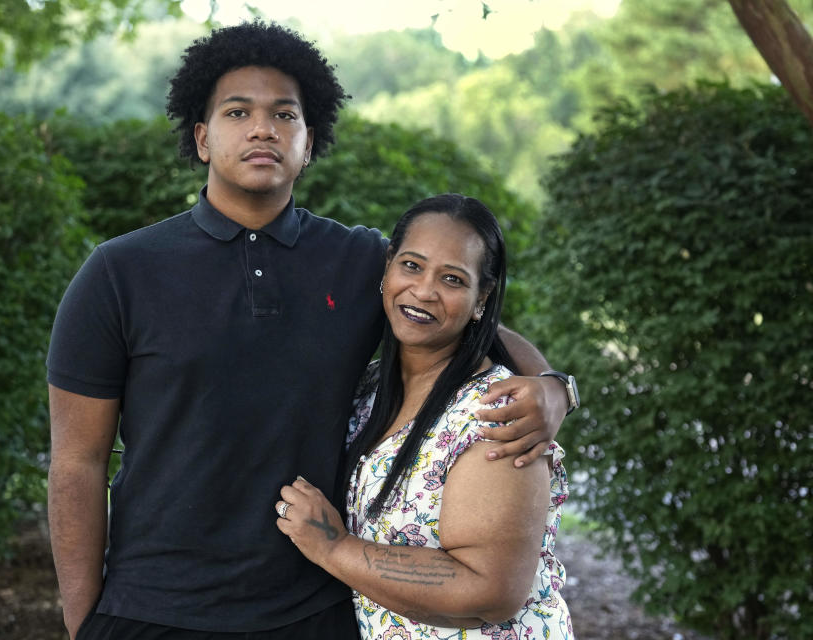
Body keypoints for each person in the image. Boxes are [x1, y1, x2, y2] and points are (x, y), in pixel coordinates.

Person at [46, 22, 577, 640]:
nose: (262, 128)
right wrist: (83, 623)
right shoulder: (118, 272)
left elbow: (473, 329)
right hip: (152, 608)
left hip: (313, 609)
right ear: (201, 138)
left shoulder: (359, 262)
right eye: (237, 111)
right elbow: (77, 464)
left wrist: (552, 387)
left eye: (284, 114)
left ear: (309, 140)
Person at [275, 194, 573, 639]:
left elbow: (491, 588)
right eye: (412, 266)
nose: (425, 290)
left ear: (481, 298)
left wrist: (334, 548)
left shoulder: (496, 415)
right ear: (388, 266)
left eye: (452, 279)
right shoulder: (370, 390)